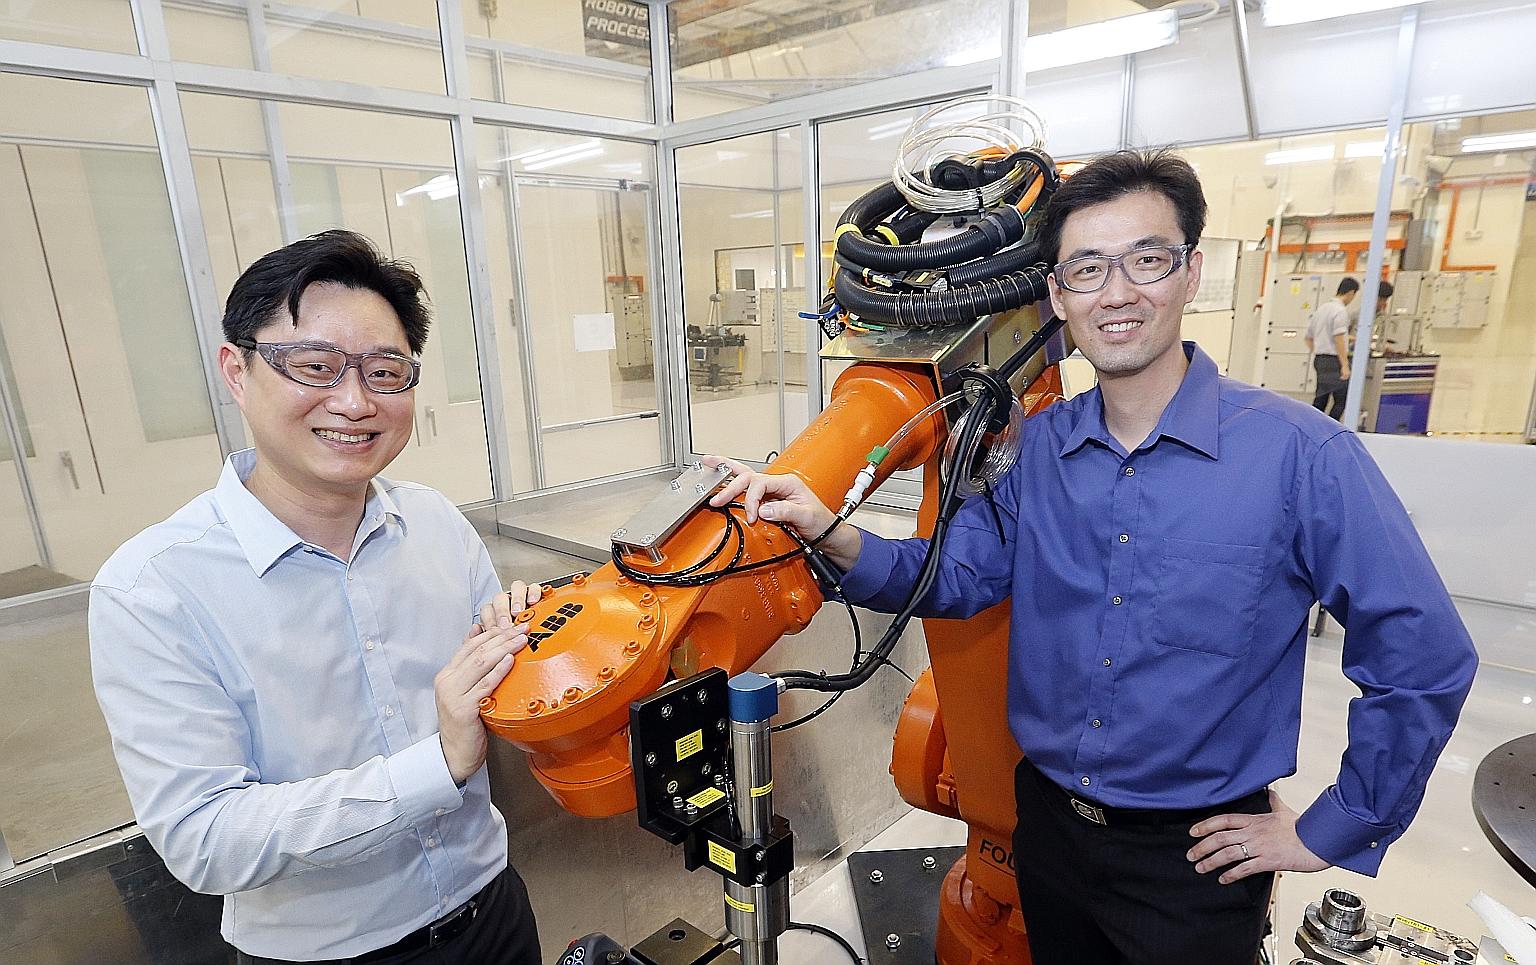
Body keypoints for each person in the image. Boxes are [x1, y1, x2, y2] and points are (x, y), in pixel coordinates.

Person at [707, 151, 1476, 965]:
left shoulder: (1301, 456)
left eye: (1146, 259)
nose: (1116, 292)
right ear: (1057, 294)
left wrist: (1335, 825)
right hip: (1049, 832)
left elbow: (1422, 654)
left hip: (1193, 863)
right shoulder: (1032, 452)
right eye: (1086, 268)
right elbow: (956, 576)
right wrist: (829, 527)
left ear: (1189, 273)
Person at [90, 230, 543, 964]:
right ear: (237, 371)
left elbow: (507, 712)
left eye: (385, 370)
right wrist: (438, 761)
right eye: (315, 365)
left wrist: (535, 648)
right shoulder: (152, 589)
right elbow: (205, 840)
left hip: (494, 915)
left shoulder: (435, 524)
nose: (355, 401)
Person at [1307, 277, 1359, 419]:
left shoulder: (1321, 309)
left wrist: (1318, 351)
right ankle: (1330, 430)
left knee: (1321, 399)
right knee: (1341, 400)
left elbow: (1309, 337)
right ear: (1351, 293)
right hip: (1334, 362)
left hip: (1320, 360)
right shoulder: (1340, 311)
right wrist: (1344, 365)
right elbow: (1338, 339)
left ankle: (1313, 427)